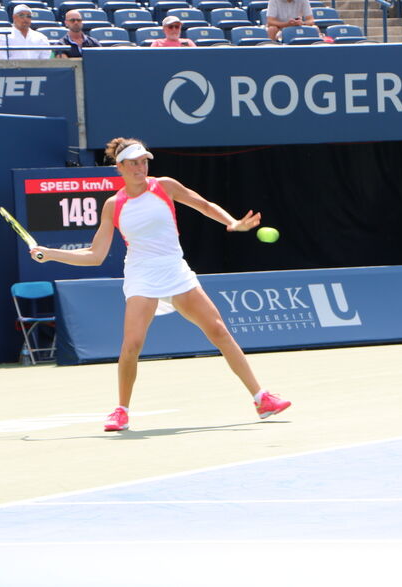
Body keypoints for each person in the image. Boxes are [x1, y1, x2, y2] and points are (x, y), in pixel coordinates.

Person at [29, 138, 291, 431]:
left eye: (144, 161)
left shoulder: (164, 186)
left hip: (175, 271)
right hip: (141, 276)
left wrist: (232, 222)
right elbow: (95, 255)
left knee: (218, 330)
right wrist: (50, 254)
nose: (141, 167)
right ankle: (121, 410)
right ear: (121, 167)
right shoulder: (114, 205)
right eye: (134, 163)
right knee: (132, 344)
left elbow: (202, 205)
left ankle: (261, 398)